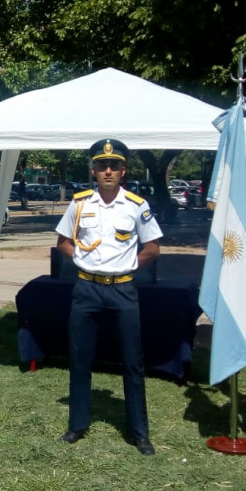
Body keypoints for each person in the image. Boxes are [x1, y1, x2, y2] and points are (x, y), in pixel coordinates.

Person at [55, 139, 162, 455]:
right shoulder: (80, 204)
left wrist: (129, 265)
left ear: (123, 170)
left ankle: (139, 432)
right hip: (86, 288)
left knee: (132, 360)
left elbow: (153, 247)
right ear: (93, 170)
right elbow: (63, 241)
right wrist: (81, 261)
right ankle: (77, 424)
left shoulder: (136, 206)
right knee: (79, 357)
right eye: (102, 165)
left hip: (123, 289)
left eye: (114, 165)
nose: (108, 171)